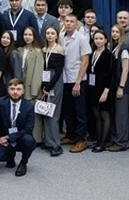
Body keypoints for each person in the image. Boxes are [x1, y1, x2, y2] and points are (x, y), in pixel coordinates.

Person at [59, 14, 91, 153]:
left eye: (72, 21)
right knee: (68, 110)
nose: (69, 23)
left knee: (80, 111)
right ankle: (71, 135)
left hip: (77, 80)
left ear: (76, 24)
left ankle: (81, 139)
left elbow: (85, 62)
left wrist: (78, 82)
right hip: (65, 79)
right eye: (66, 21)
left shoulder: (81, 39)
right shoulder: (60, 36)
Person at [0, 79, 35, 177]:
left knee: (29, 140)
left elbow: (28, 129)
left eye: (18, 89)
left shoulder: (29, 106)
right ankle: (10, 156)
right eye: (12, 89)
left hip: (20, 138)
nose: (15, 92)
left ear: (23, 91)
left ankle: (23, 163)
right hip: (4, 138)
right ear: (8, 90)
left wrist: (8, 137)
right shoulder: (1, 102)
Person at [87, 30, 114, 152]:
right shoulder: (92, 53)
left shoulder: (108, 55)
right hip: (93, 88)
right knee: (96, 115)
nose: (98, 41)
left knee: (104, 115)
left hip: (104, 89)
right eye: (96, 38)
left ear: (105, 40)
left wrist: (106, 91)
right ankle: (98, 140)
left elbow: (110, 74)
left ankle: (102, 143)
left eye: (101, 38)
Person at [41, 26, 66, 156]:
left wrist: (49, 86)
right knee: (45, 111)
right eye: (48, 33)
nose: (50, 35)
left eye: (52, 33)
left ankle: (56, 144)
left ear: (56, 36)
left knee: (53, 112)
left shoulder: (59, 50)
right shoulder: (44, 49)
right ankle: (48, 141)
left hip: (54, 82)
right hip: (45, 80)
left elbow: (58, 71)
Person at [107, 24, 129, 152]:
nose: (114, 34)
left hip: (121, 87)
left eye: (117, 32)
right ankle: (114, 139)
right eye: (113, 31)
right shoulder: (113, 47)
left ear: (122, 34)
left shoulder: (124, 49)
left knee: (121, 116)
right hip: (113, 86)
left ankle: (121, 142)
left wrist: (121, 87)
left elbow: (125, 70)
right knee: (115, 114)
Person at [18, 26, 44, 143]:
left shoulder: (38, 51)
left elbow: (38, 72)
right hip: (20, 85)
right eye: (25, 35)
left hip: (32, 86)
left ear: (34, 37)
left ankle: (36, 138)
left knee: (34, 115)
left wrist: (35, 91)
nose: (27, 37)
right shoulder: (19, 50)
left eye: (30, 35)